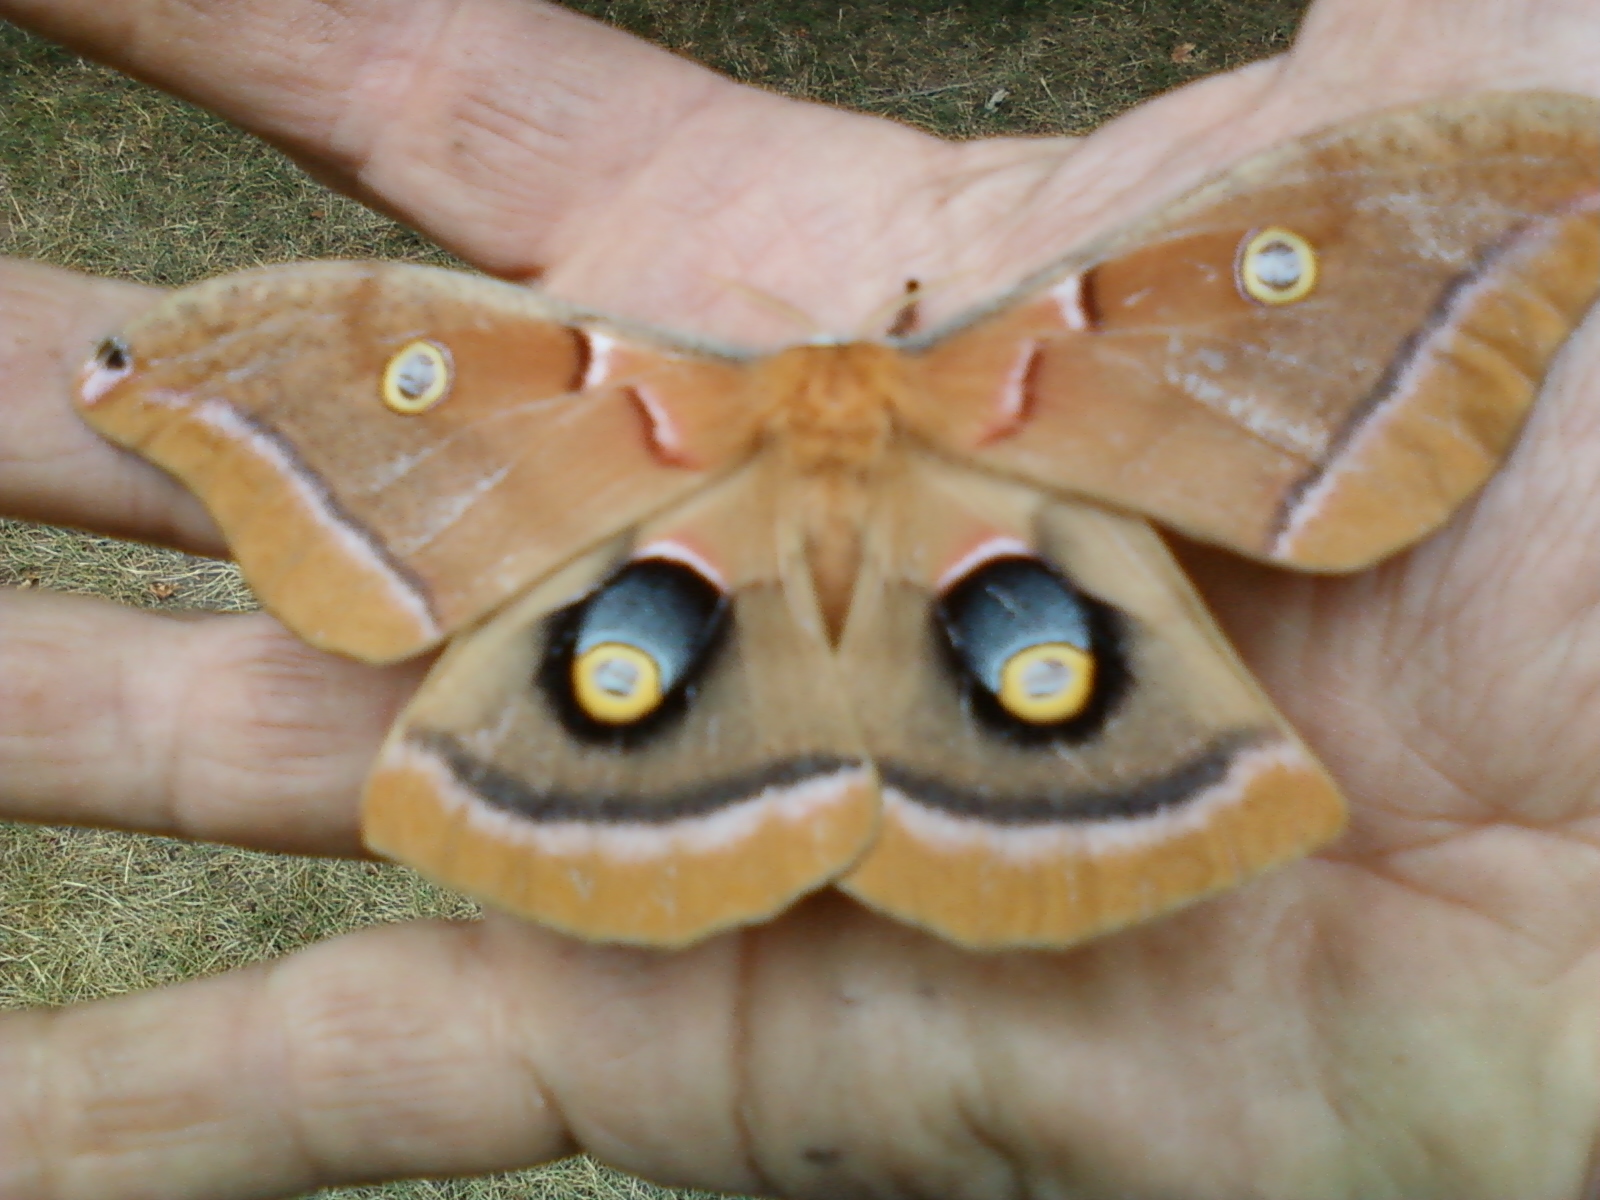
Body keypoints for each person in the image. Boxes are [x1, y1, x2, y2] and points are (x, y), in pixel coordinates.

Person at [2, 0, 1598, 1195]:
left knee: (635, 658)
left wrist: (1492, 204)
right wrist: (216, 381)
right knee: (1032, 660)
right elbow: (360, 381)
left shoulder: (630, 392)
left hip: (720, 570)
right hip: (969, 570)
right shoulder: (1018, 360)